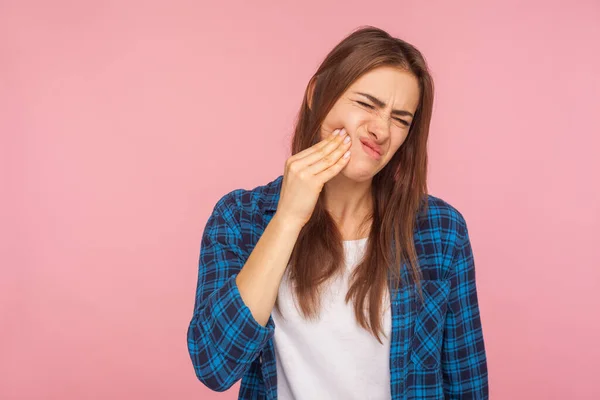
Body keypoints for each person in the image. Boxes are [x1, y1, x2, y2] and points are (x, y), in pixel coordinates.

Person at [187, 25, 488, 399]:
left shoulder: (441, 231)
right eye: (366, 104)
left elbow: (467, 387)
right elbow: (214, 365)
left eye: (400, 119)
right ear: (317, 94)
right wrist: (287, 220)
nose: (379, 130)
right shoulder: (240, 218)